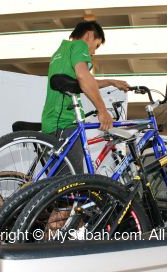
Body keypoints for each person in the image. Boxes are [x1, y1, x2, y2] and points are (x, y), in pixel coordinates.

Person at [41, 21, 129, 174]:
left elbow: (80, 81)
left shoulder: (60, 52)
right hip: (65, 124)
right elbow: (83, 77)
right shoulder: (79, 46)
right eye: (96, 45)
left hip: (52, 124)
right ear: (89, 35)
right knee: (70, 186)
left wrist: (110, 82)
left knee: (60, 184)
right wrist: (102, 110)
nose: (94, 52)